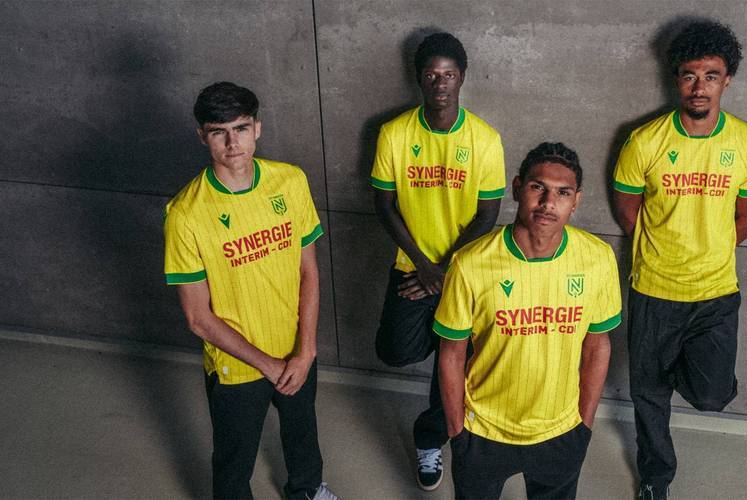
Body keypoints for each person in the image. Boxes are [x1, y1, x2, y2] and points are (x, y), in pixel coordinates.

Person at [612, 21, 747, 499]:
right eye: (689, 75)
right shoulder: (644, 141)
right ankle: (656, 477)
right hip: (653, 289)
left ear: (727, 80)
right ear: (676, 79)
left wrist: (710, 248)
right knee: (648, 396)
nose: (699, 86)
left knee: (712, 395)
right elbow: (628, 211)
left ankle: (676, 370)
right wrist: (666, 248)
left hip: (715, 293)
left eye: (711, 75)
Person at [164, 82, 338, 500]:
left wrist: (306, 350)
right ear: (202, 136)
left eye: (241, 128)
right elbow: (198, 318)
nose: (232, 143)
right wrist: (267, 365)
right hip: (237, 367)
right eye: (219, 132)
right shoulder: (185, 214)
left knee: (302, 432)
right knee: (234, 459)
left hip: (295, 349)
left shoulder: (290, 181)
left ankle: (307, 491)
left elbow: (308, 271)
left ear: (257, 128)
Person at [436, 143, 622, 499]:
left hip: (561, 431)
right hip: (483, 431)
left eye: (563, 193)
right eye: (538, 188)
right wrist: (457, 431)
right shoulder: (470, 263)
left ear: (576, 201)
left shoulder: (597, 259)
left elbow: (597, 346)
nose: (548, 203)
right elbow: (452, 353)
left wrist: (584, 424)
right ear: (518, 188)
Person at [370, 32, 505, 490]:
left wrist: (445, 271)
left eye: (448, 74)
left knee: (453, 367)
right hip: (413, 269)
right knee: (394, 350)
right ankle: (446, 339)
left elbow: (487, 214)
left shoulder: (484, 139)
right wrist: (426, 269)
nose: (440, 83)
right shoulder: (395, 133)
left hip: (464, 275)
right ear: (419, 79)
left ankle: (430, 439)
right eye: (432, 75)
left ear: (461, 78)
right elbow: (384, 204)